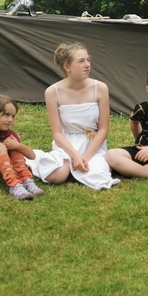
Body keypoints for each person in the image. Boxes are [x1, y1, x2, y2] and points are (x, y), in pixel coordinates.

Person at [27, 42, 120, 190]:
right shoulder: (52, 92)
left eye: (88, 60)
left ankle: (77, 166)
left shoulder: (100, 88)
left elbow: (103, 130)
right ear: (67, 67)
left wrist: (86, 156)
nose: (87, 65)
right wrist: (75, 156)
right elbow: (57, 133)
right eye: (81, 61)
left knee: (94, 175)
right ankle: (35, 158)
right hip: (67, 142)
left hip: (92, 142)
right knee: (56, 176)